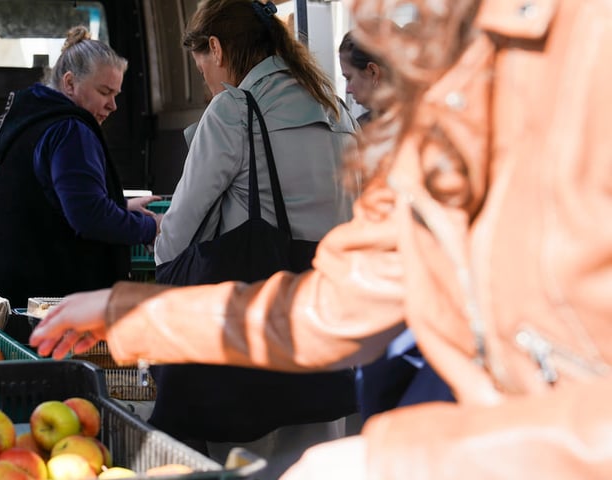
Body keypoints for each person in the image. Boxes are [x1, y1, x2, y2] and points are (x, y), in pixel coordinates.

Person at [30, 0, 612, 478]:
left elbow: (182, 228)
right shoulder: (395, 99)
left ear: (217, 51)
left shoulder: (584, 55)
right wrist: (128, 312)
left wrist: (400, 460)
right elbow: (342, 299)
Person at [146, 0, 359, 475]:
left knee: (246, 464)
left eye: (200, 61)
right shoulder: (339, 110)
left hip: (254, 337)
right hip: (326, 329)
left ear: (216, 49)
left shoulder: (235, 109)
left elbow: (176, 233)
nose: (202, 75)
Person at [0, 26, 161, 308]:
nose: (113, 106)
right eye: (105, 92)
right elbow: (89, 216)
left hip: (7, 290)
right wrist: (151, 226)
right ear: (70, 83)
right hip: (41, 299)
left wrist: (121, 206)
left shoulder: (34, 119)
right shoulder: (70, 130)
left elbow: (52, 202)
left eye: (116, 94)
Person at [338, 30, 455, 422]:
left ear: (373, 71)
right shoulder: (390, 127)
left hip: (409, 300)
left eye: (350, 77)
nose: (347, 89)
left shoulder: (397, 135)